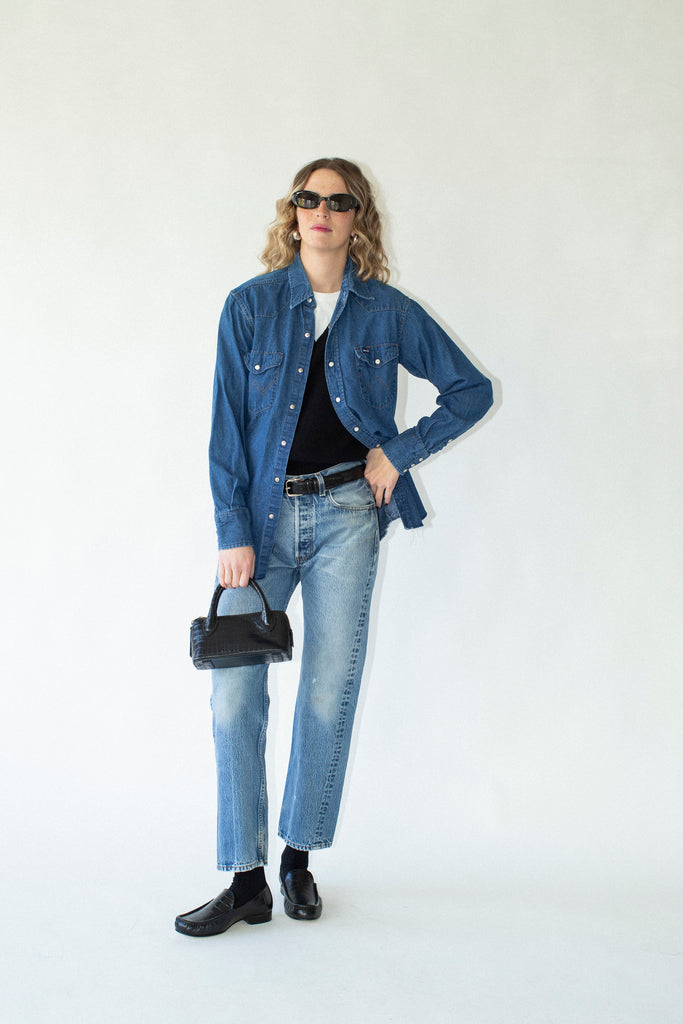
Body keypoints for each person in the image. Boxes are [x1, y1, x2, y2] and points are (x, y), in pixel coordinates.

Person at [175, 158, 493, 936]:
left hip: (349, 514)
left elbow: (470, 390)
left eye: (337, 200)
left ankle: (297, 860)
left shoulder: (387, 312)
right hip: (261, 524)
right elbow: (224, 430)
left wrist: (398, 454)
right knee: (234, 696)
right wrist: (231, 531)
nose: (320, 209)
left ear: (358, 219)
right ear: (292, 213)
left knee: (327, 694)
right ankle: (244, 880)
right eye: (307, 197)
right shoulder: (249, 306)